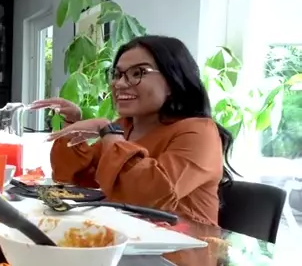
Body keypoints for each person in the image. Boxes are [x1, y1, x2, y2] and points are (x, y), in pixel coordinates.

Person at [34, 35, 235, 227]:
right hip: (125, 239)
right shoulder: (124, 127)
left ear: (173, 81)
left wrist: (109, 132)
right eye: (117, 74)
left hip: (188, 247)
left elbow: (149, 196)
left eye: (138, 73)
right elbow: (74, 178)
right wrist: (72, 123)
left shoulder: (200, 132)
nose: (120, 84)